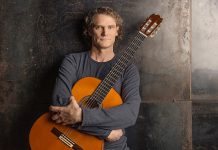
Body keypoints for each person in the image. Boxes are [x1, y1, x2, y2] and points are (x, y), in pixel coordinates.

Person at [49, 6, 141, 150]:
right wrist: (105, 132)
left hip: (113, 147)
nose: (105, 33)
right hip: (69, 142)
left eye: (110, 27)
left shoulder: (128, 69)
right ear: (90, 30)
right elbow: (59, 105)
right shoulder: (72, 61)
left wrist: (80, 116)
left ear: (117, 30)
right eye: (99, 27)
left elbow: (130, 114)